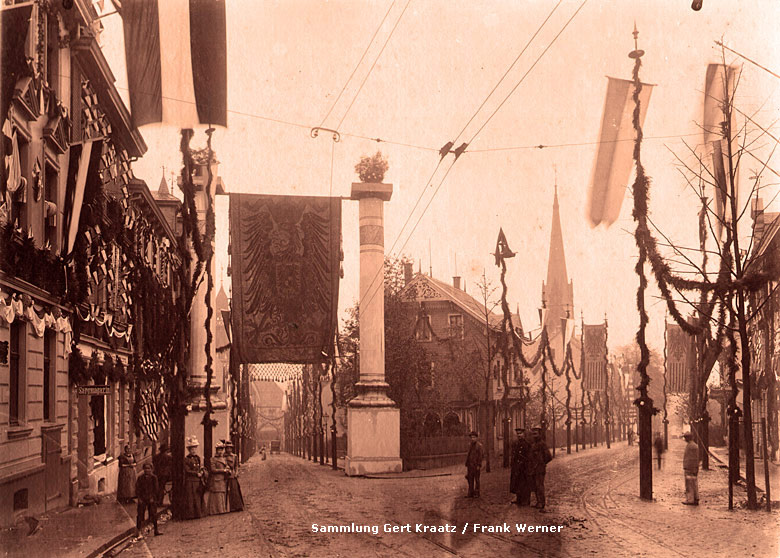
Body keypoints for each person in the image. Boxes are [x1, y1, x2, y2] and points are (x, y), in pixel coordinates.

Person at [528, 427, 553, 511]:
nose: (534, 436)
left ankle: (541, 502)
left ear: (539, 434)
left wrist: (542, 463)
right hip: (533, 469)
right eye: (533, 434)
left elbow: (549, 457)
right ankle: (538, 501)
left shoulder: (542, 444)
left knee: (539, 486)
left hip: (539, 469)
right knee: (535, 485)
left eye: (536, 434)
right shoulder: (532, 444)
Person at [135, 463, 161, 536]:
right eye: (145, 468)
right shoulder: (140, 478)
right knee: (140, 514)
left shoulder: (154, 478)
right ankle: (138, 530)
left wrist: (152, 498)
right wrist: (139, 498)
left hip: (151, 498)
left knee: (153, 514)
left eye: (149, 468)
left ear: (151, 469)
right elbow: (137, 489)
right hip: (142, 498)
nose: (147, 470)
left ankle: (156, 530)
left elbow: (156, 489)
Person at [510, 427, 532, 506]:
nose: (519, 435)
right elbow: (513, 455)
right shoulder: (515, 443)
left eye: (520, 433)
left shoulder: (527, 444)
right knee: (517, 483)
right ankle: (518, 498)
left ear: (524, 434)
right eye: (518, 434)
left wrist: (527, 465)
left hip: (524, 467)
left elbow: (529, 456)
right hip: (517, 466)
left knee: (525, 483)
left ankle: (525, 500)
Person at [182, 436, 203, 519]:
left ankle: (198, 513)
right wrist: (196, 473)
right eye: (192, 449)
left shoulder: (197, 458)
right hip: (190, 480)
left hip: (197, 480)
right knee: (190, 498)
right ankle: (190, 514)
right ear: (189, 450)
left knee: (197, 497)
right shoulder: (186, 459)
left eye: (194, 448)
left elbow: (199, 467)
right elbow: (187, 470)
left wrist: (201, 471)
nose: (194, 450)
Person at [205, 443, 228, 515]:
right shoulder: (213, 459)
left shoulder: (224, 459)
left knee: (221, 493)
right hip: (216, 479)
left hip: (222, 479)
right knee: (216, 494)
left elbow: (226, 466)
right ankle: (214, 510)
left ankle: (222, 509)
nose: (220, 452)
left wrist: (227, 469)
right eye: (219, 450)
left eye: (221, 450)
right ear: (216, 451)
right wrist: (223, 470)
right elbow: (213, 470)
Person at [223, 440, 244, 512]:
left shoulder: (235, 456)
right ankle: (226, 507)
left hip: (232, 475)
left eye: (230, 448)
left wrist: (236, 473)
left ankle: (236, 506)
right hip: (225, 475)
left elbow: (236, 466)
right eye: (227, 448)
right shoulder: (223, 456)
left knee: (234, 490)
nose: (228, 449)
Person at [682, 431, 700, 505]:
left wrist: (687, 467)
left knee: (689, 484)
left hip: (690, 468)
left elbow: (690, 458)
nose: (685, 439)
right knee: (694, 483)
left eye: (685, 437)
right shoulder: (694, 445)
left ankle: (690, 499)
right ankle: (696, 498)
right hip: (693, 467)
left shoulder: (690, 446)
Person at [465, 431, 484, 498]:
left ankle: (477, 493)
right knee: (470, 479)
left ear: (476, 438)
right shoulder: (469, 445)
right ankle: (470, 493)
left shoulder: (479, 446)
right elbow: (468, 454)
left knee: (477, 480)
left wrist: (479, 465)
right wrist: (467, 463)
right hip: (470, 465)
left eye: (474, 437)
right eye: (471, 437)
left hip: (476, 465)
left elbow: (481, 456)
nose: (473, 439)